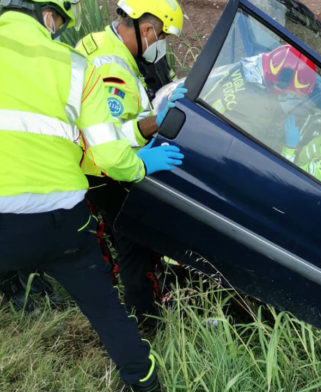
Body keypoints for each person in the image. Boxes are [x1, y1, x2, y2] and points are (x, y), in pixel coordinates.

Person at [0, 1, 183, 390]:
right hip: (63, 217)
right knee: (108, 312)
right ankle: (145, 382)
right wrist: (142, 165)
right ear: (48, 16)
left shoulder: (92, 52)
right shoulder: (76, 66)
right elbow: (107, 149)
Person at [74, 0, 185, 322]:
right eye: (163, 36)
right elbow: (107, 135)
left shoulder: (100, 43)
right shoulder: (113, 69)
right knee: (135, 241)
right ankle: (146, 316)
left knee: (123, 239)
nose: (161, 45)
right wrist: (156, 123)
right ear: (148, 29)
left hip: (93, 165)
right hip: (107, 171)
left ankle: (141, 301)